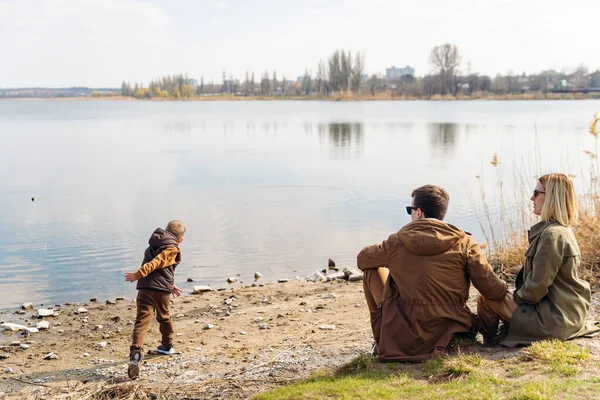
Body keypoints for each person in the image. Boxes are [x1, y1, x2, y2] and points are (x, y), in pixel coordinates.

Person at [358, 185, 508, 361]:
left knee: (371, 270)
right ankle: (487, 342)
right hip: (452, 328)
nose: (411, 214)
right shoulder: (465, 242)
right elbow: (492, 289)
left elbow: (362, 260)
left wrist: (393, 256)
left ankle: (384, 340)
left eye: (410, 210)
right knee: (489, 293)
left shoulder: (396, 242)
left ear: (419, 212)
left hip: (404, 334)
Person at [477, 173, 600, 346]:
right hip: (569, 314)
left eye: (536, 192)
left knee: (488, 298)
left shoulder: (551, 235)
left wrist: (512, 297)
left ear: (551, 197)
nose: (531, 197)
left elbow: (535, 289)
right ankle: (506, 331)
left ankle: (489, 344)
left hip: (554, 321)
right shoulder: (562, 229)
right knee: (504, 295)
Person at [124, 220, 185, 380]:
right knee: (164, 317)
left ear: (165, 232)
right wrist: (137, 274)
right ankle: (167, 345)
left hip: (145, 288)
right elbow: (156, 263)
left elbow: (161, 269)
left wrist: (171, 285)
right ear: (181, 240)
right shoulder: (172, 248)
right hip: (159, 290)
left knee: (142, 320)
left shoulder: (154, 244)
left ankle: (136, 350)